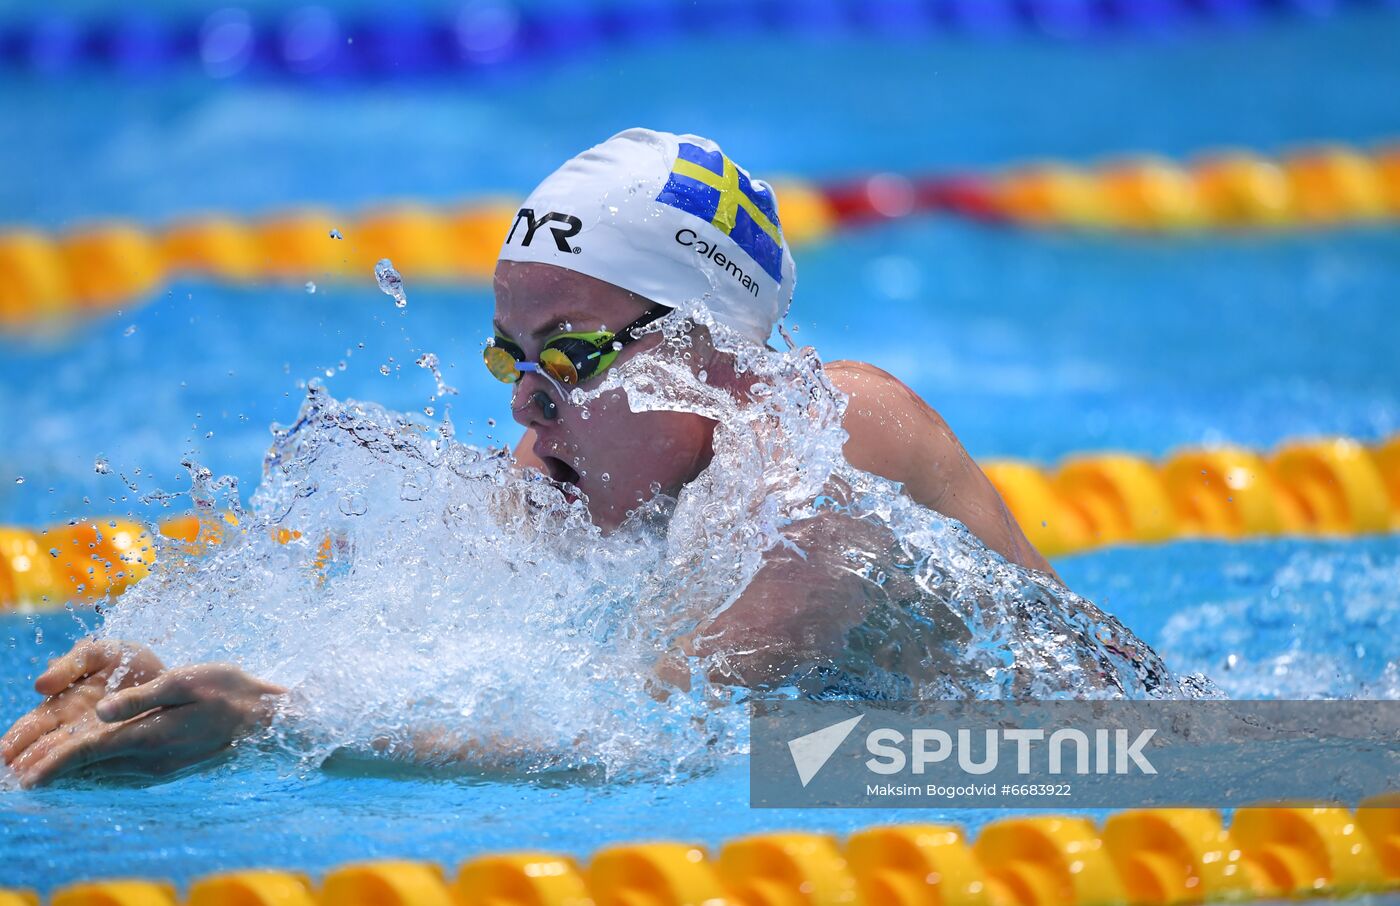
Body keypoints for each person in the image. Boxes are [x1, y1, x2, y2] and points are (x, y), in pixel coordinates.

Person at [2, 128, 1057, 788]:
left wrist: (271, 722)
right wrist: (192, 680)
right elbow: (444, 655)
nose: (524, 401)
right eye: (512, 355)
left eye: (572, 355)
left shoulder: (833, 444)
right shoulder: (563, 463)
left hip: (1106, 768)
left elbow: (629, 731)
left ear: (710, 348)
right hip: (893, 777)